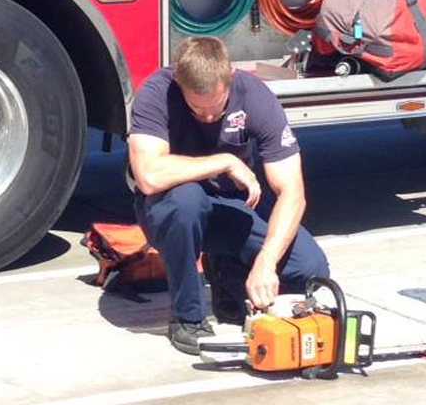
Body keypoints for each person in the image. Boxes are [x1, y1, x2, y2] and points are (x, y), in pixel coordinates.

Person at [126, 35, 330, 355]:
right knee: (186, 202)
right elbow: (150, 177)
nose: (207, 117)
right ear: (179, 83)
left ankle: (228, 274)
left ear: (230, 77)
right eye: (197, 108)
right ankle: (187, 317)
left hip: (230, 206)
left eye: (215, 107)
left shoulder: (254, 96)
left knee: (309, 267)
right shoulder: (156, 93)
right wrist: (224, 161)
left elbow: (293, 192)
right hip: (170, 207)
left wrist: (266, 262)